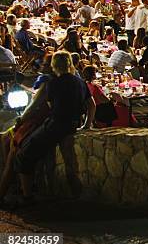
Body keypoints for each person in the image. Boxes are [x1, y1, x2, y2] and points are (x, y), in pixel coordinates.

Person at [13, 51, 95, 205]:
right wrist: (86, 125)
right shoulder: (79, 82)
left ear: (54, 65)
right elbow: (91, 105)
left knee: (24, 155)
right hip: (72, 124)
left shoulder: (53, 84)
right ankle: (76, 195)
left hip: (56, 125)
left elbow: (50, 107)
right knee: (69, 163)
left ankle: (27, 196)